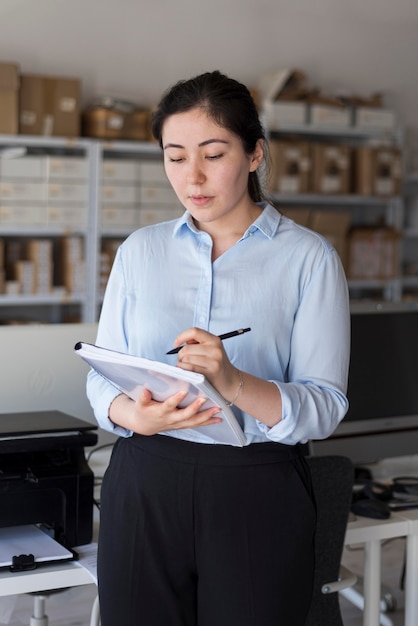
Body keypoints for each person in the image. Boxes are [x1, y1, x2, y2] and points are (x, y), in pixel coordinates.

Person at [86, 70, 350, 626]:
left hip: (255, 487)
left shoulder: (309, 259)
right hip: (145, 477)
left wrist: (233, 384)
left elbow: (325, 406)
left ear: (255, 154)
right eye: (175, 156)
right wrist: (133, 413)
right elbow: (100, 375)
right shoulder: (140, 251)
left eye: (213, 153)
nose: (193, 177)